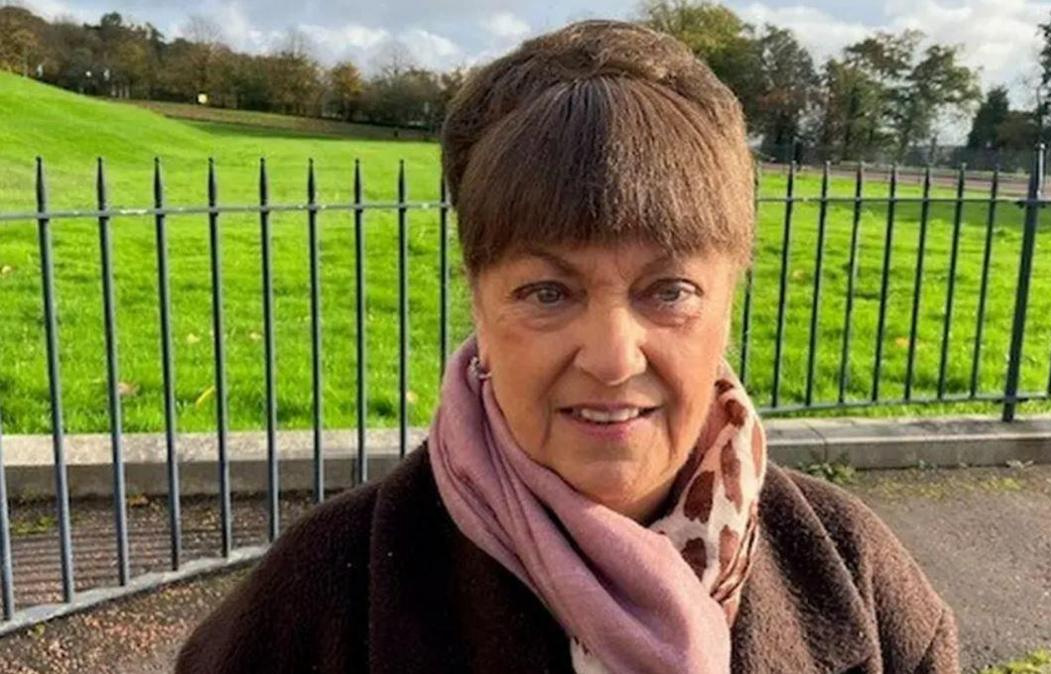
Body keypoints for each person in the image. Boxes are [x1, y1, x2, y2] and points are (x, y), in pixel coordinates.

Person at [175, 20, 958, 674]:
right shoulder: (319, 603)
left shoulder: (857, 578)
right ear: (478, 301)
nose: (614, 358)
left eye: (670, 291)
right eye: (548, 292)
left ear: (729, 301)